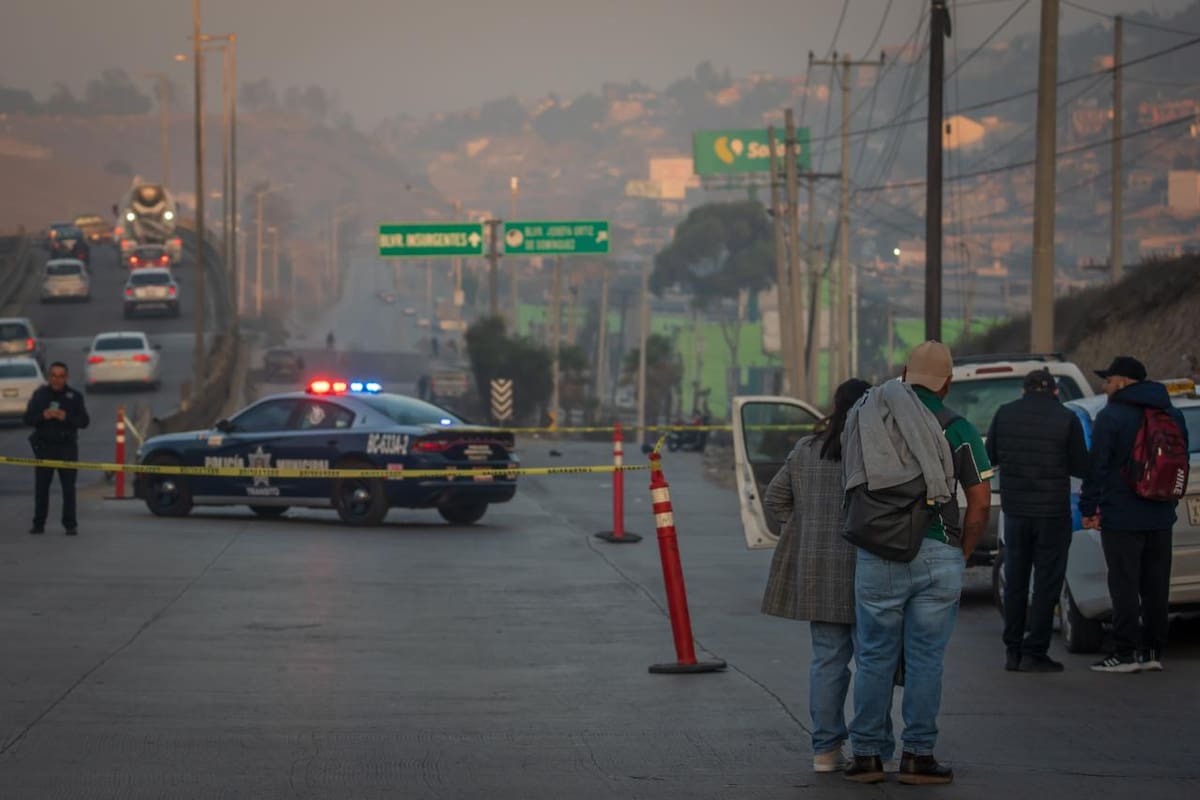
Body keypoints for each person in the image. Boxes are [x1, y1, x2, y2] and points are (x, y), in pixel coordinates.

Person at [843, 341, 992, 786]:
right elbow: (980, 503)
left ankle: (866, 757)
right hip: (937, 550)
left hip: (877, 550)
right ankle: (918, 757)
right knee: (926, 659)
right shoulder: (958, 428)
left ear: (905, 375)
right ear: (947, 383)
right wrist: (962, 552)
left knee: (873, 657)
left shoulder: (867, 417)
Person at [761, 378, 872, 774]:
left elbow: (775, 498)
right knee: (871, 662)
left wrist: (802, 528)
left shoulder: (807, 450)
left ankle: (825, 751)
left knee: (827, 660)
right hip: (868, 568)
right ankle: (870, 748)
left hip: (818, 571)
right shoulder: (875, 451)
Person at [1079, 356, 1187, 673]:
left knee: (1124, 585)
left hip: (1122, 515)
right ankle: (1152, 652)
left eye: (1108, 380)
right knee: (1156, 587)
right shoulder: (1172, 413)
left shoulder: (1111, 416)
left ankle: (1124, 654)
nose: (1105, 386)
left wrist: (1088, 508)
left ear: (1123, 382)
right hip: (1161, 514)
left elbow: (1097, 466)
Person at [987, 369, 1090, 673]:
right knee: (1046, 584)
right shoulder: (1066, 418)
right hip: (1052, 514)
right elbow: (1081, 466)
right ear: (1055, 391)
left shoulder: (1004, 414)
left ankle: (1012, 650)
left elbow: (989, 458)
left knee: (1015, 582)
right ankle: (1035, 651)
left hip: (1016, 513)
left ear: (1024, 390)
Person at [23, 361, 90, 536]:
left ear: (66, 377)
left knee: (68, 489)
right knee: (41, 489)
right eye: (53, 375)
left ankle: (70, 525)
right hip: (44, 448)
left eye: (61, 376)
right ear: (49, 376)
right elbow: (28, 418)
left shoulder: (74, 396)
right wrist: (43, 415)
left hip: (67, 448)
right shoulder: (40, 395)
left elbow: (84, 422)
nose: (57, 380)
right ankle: (38, 524)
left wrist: (65, 417)